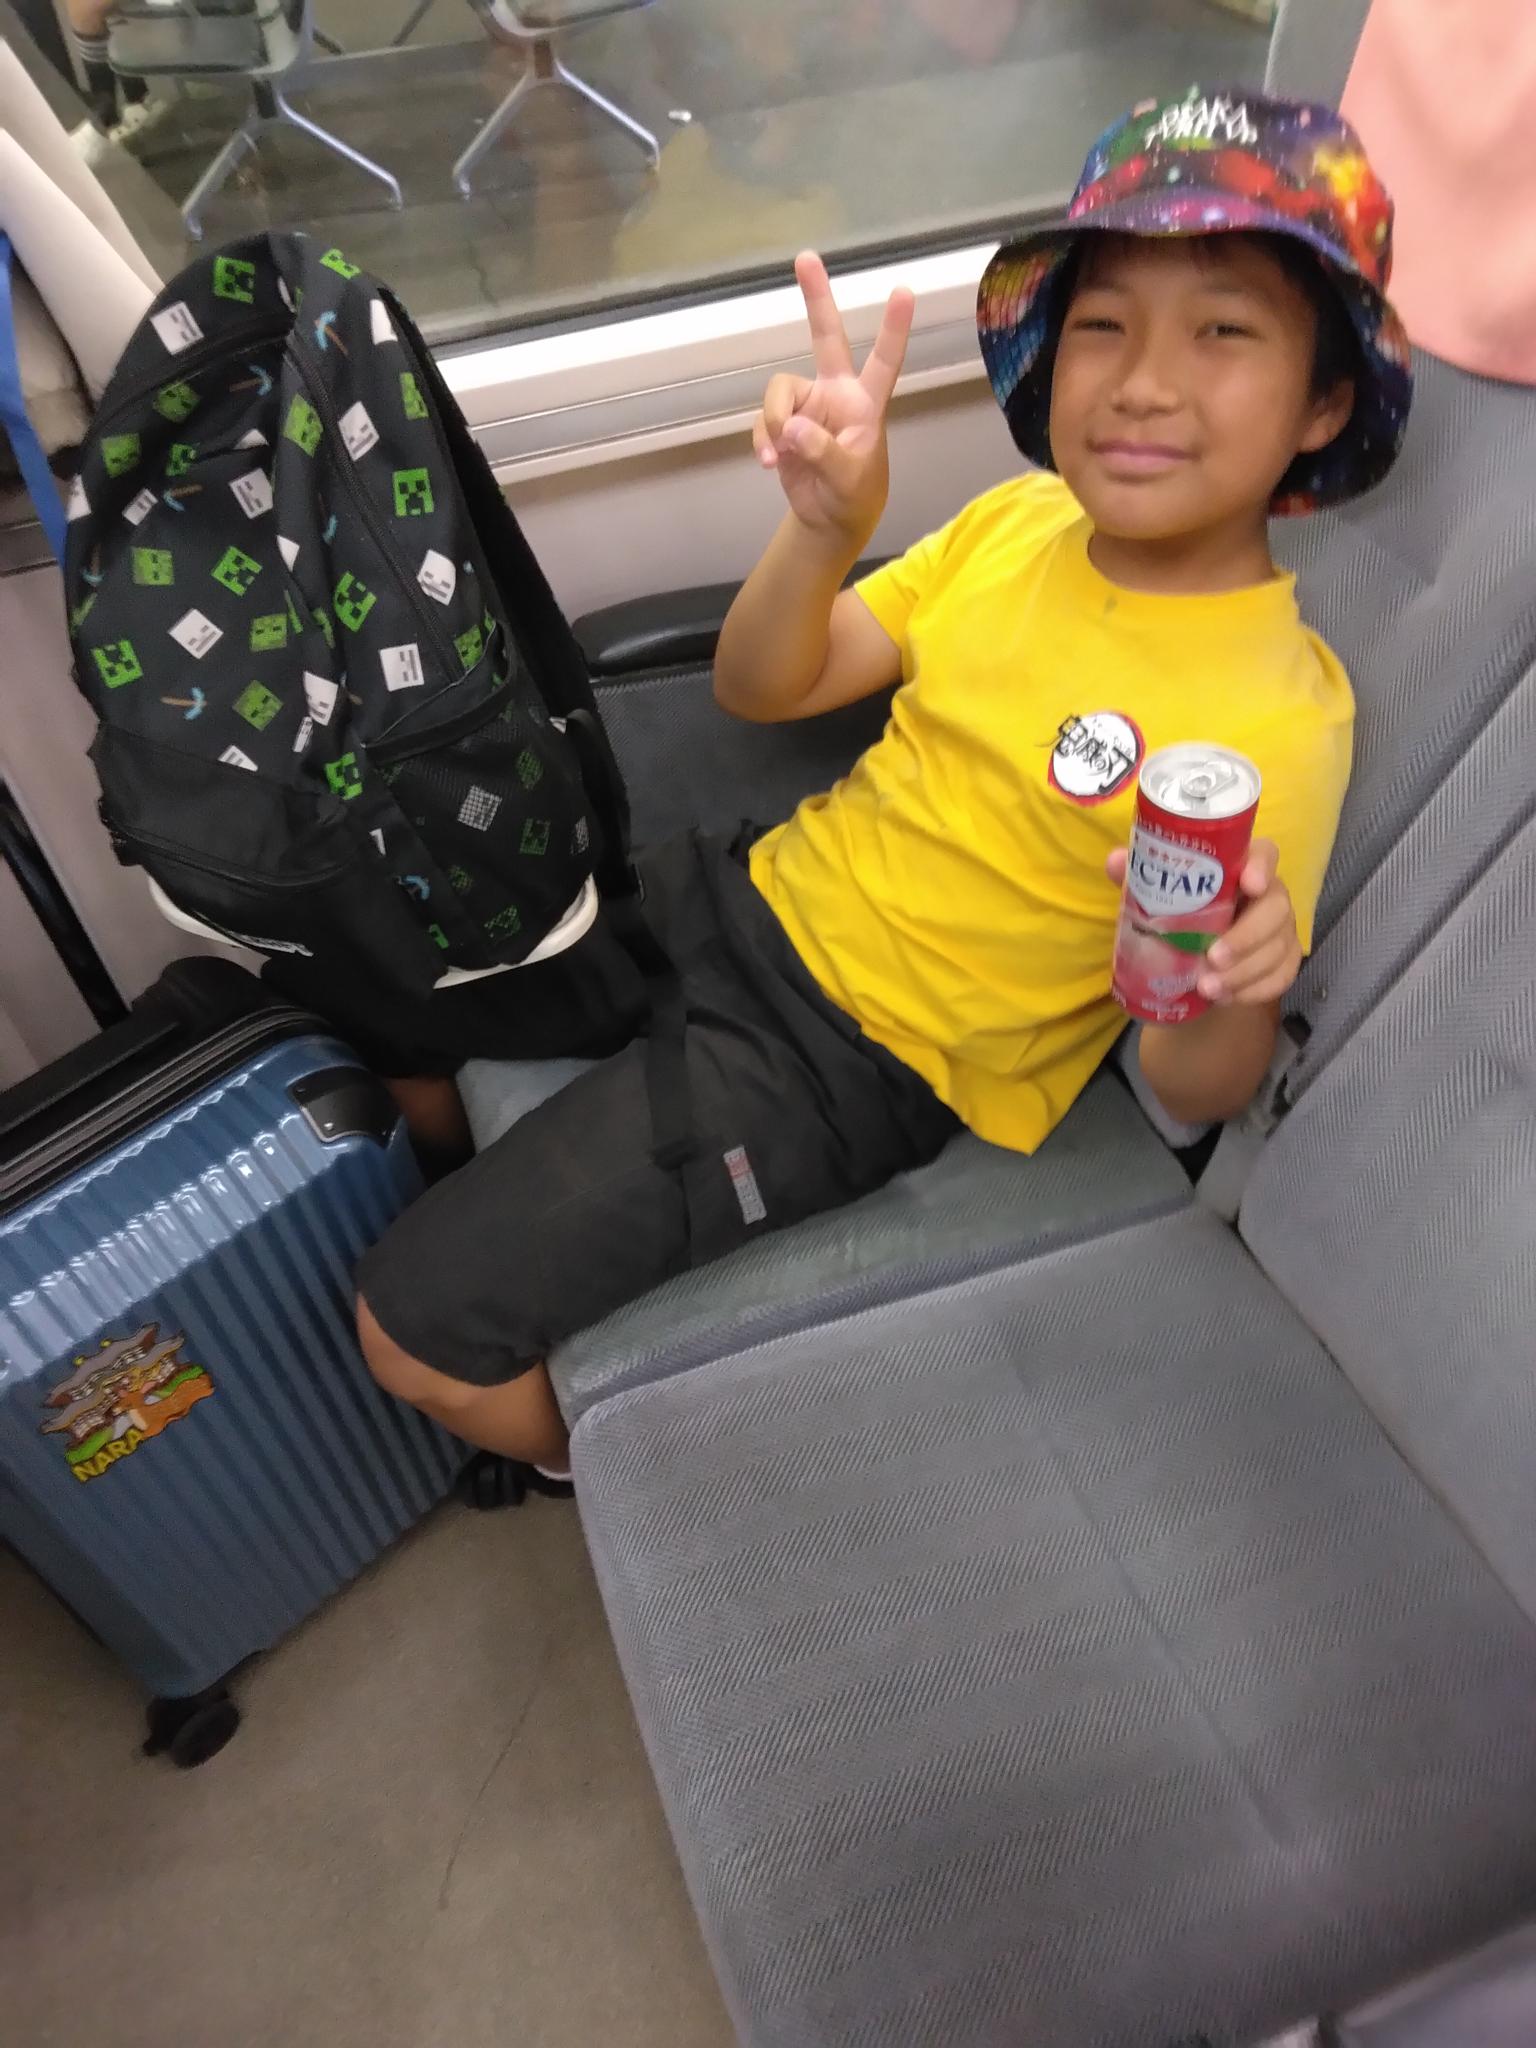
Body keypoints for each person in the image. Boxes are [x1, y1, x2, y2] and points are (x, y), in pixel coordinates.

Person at [354, 85, 1411, 1475]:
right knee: (389, 977)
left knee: (409, 1334)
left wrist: (1239, 980)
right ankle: (476, 1193)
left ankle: (575, 1459)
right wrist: (823, 529)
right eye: (1104, 324)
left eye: (1223, 331)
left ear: (1324, 402)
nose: (1144, 382)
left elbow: (1194, 1083)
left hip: (851, 1061)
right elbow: (762, 687)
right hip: (749, 889)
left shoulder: (1276, 717)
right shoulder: (1022, 520)